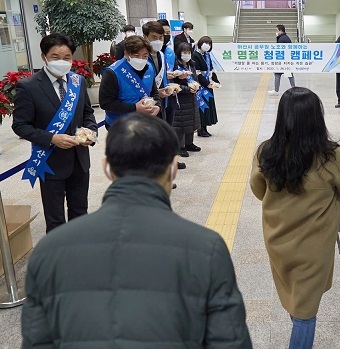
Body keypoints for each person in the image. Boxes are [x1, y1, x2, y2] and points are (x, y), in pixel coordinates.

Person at [21, 113, 252, 348]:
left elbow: (38, 341)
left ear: (107, 168)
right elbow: (230, 341)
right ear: (173, 168)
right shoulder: (207, 248)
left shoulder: (50, 250)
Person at [250, 87, 340, 349]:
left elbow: (258, 190)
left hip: (278, 237)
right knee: (306, 310)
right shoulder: (330, 155)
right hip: (314, 242)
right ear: (316, 117)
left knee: (294, 294)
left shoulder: (266, 151)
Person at [12, 33, 98, 233]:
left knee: (80, 213)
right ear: (44, 57)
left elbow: (88, 113)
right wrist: (51, 138)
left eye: (67, 57)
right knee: (55, 219)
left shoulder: (78, 81)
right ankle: (58, 259)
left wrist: (90, 132)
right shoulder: (28, 86)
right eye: (55, 57)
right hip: (50, 162)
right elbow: (20, 125)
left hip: (79, 160)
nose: (62, 62)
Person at [100, 36, 161, 128]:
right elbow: (106, 103)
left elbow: (154, 92)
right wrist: (134, 108)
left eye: (145, 56)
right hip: (119, 125)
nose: (141, 59)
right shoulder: (112, 72)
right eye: (136, 55)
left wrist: (158, 105)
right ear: (126, 54)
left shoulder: (150, 68)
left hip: (144, 122)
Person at [173, 42, 201, 158]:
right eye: (184, 52)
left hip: (191, 96)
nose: (187, 55)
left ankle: (189, 143)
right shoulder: (176, 66)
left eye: (189, 52)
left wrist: (196, 86)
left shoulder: (191, 64)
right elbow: (174, 84)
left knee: (191, 120)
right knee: (181, 123)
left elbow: (195, 78)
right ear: (179, 53)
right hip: (181, 97)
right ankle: (180, 147)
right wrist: (186, 89)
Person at [143, 21, 173, 123]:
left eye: (160, 37)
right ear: (145, 37)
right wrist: (155, 93)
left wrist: (167, 88)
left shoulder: (161, 55)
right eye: (154, 37)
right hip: (147, 106)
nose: (158, 41)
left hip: (162, 103)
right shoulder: (141, 58)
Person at [192, 35, 220, 137]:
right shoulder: (195, 55)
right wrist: (207, 83)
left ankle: (205, 128)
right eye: (205, 43)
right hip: (201, 86)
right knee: (202, 107)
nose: (207, 46)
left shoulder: (207, 55)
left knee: (208, 107)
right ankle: (200, 129)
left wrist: (216, 81)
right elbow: (197, 73)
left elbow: (211, 69)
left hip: (209, 85)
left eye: (209, 44)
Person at [158, 19, 178, 127]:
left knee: (169, 126)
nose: (166, 36)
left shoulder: (170, 52)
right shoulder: (150, 54)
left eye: (168, 33)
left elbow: (174, 68)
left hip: (170, 94)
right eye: (163, 34)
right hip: (156, 97)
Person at [268, 25, 296, 96]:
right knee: (289, 74)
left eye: (277, 30)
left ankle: (276, 90)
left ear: (280, 30)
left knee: (278, 74)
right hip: (287, 60)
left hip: (283, 60)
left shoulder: (281, 39)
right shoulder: (285, 37)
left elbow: (280, 50)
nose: (276, 32)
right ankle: (294, 88)